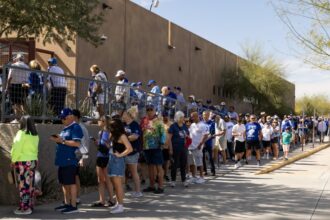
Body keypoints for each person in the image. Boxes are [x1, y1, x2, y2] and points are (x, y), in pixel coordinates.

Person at [50, 108, 83, 214]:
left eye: (63, 118)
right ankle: (67, 203)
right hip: (62, 160)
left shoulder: (76, 127)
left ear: (70, 117)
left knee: (71, 183)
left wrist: (62, 140)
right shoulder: (65, 128)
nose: (62, 120)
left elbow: (77, 143)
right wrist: (59, 140)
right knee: (64, 183)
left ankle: (73, 205)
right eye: (61, 118)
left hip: (70, 159)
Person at [11, 116, 39, 215]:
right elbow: (36, 149)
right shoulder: (35, 135)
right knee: (30, 185)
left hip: (23, 162)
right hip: (32, 161)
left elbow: (16, 148)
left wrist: (13, 159)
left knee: (23, 185)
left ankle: (24, 208)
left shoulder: (21, 133)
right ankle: (30, 206)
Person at [108, 118, 133, 214]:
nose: (110, 129)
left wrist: (120, 155)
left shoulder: (122, 136)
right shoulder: (114, 135)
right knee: (115, 184)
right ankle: (118, 204)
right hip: (112, 159)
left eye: (111, 127)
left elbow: (129, 149)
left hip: (118, 161)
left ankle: (121, 206)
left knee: (118, 185)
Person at [140, 104, 166, 194]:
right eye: (148, 110)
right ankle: (151, 186)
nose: (150, 111)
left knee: (159, 166)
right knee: (150, 166)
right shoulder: (144, 120)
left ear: (154, 110)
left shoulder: (159, 120)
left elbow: (163, 133)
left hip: (156, 146)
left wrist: (162, 143)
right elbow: (141, 131)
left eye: (151, 109)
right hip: (146, 146)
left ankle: (161, 186)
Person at [90, 115, 114, 207]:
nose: (98, 121)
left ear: (104, 122)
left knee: (107, 180)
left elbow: (111, 145)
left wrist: (107, 145)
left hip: (107, 157)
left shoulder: (110, 133)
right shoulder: (100, 132)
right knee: (100, 180)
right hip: (100, 156)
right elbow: (101, 146)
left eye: (100, 120)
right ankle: (101, 200)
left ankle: (112, 200)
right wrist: (97, 143)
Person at [122, 106, 143, 198]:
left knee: (133, 171)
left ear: (129, 115)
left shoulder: (135, 125)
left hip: (133, 152)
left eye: (124, 114)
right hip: (123, 151)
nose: (122, 115)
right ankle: (121, 191)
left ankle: (138, 191)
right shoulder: (123, 124)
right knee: (122, 172)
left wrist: (124, 139)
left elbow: (135, 136)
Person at [5, 53, 29, 122]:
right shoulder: (27, 67)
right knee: (23, 102)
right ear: (23, 59)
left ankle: (17, 118)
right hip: (24, 85)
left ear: (17, 58)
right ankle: (25, 118)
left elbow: (9, 77)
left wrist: (7, 87)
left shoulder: (14, 65)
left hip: (15, 85)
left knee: (15, 103)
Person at [72, 109, 89, 204]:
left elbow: (84, 144)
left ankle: (77, 197)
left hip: (77, 155)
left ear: (76, 117)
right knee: (74, 176)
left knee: (75, 176)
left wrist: (83, 158)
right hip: (75, 155)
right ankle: (75, 196)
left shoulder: (81, 128)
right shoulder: (76, 127)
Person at [168, 111, 190, 187]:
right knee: (174, 164)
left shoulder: (184, 126)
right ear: (178, 118)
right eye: (182, 117)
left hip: (183, 148)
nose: (183, 118)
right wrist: (170, 149)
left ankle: (183, 180)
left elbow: (187, 135)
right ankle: (173, 180)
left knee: (183, 164)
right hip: (175, 148)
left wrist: (187, 140)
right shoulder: (173, 126)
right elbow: (169, 138)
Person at [188, 111, 209, 184]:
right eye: (191, 116)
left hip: (198, 147)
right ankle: (194, 177)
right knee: (192, 163)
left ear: (197, 116)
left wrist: (200, 144)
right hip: (190, 147)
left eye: (193, 116)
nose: (192, 118)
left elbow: (205, 136)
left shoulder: (202, 125)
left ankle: (201, 177)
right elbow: (190, 134)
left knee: (199, 162)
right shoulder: (192, 125)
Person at [202, 111, 216, 176]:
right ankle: (204, 170)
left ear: (208, 115)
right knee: (203, 157)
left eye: (206, 114)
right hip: (202, 143)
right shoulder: (201, 123)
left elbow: (212, 133)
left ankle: (213, 170)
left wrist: (205, 140)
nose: (205, 116)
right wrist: (202, 141)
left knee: (210, 157)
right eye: (204, 115)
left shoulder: (212, 123)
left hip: (209, 142)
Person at [162, 111, 172, 182]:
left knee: (167, 161)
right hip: (160, 146)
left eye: (166, 116)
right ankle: (160, 175)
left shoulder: (171, 124)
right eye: (163, 116)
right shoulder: (160, 123)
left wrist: (170, 148)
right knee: (160, 162)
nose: (165, 117)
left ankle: (166, 174)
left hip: (167, 146)